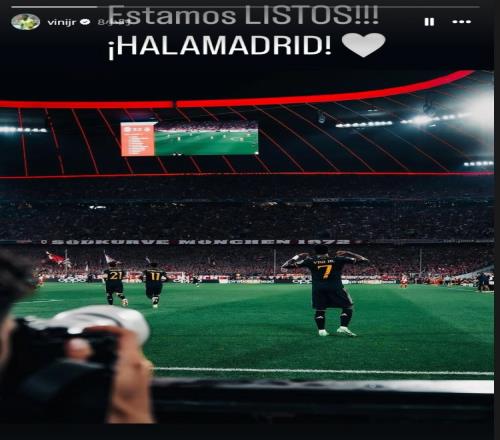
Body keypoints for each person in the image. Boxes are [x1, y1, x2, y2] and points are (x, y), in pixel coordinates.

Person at [0, 251, 154, 423]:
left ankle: (111, 301)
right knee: (119, 293)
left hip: (110, 284)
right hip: (118, 286)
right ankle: (120, 301)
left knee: (109, 294)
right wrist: (129, 413)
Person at [282, 245, 369, 337]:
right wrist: (348, 252)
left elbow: (285, 266)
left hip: (318, 289)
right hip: (336, 287)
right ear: (328, 251)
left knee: (320, 309)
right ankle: (343, 326)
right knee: (348, 306)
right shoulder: (338, 259)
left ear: (315, 252)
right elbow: (364, 260)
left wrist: (298, 256)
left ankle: (322, 331)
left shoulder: (310, 260)